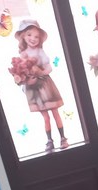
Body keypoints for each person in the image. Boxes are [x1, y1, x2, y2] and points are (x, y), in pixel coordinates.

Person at [12, 20, 68, 153]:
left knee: (55, 112)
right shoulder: (22, 55)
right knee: (45, 117)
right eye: (29, 35)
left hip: (45, 85)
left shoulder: (40, 52)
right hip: (34, 89)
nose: (33, 39)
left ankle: (63, 137)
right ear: (23, 36)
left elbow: (49, 67)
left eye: (36, 37)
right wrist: (24, 79)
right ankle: (49, 140)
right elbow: (22, 72)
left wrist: (41, 73)